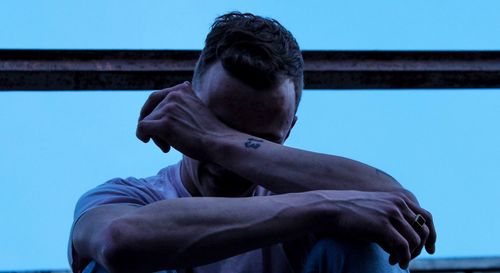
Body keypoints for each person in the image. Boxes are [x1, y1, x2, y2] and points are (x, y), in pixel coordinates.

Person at [68, 12, 436, 273]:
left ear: (289, 130)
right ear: (191, 107)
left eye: (257, 140)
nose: (227, 158)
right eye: (218, 123)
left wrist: (217, 138)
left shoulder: (308, 207)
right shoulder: (124, 198)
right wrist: (325, 206)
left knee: (362, 244)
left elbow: (398, 205)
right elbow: (119, 242)